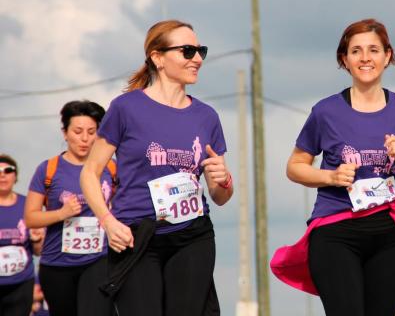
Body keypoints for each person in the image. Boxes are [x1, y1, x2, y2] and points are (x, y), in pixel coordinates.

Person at [271, 18, 395, 316]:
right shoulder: (326, 112)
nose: (365, 58)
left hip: (390, 234)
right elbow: (295, 166)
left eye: (373, 50)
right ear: (344, 60)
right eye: (356, 51)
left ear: (387, 56)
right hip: (335, 231)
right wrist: (330, 176)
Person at [80, 19, 233, 316]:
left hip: (192, 234)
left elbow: (220, 194)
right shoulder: (126, 108)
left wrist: (224, 180)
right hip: (136, 235)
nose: (198, 59)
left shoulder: (207, 116)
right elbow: (89, 173)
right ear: (158, 58)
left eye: (200, 50)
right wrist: (108, 222)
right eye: (188, 51)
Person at [24, 101, 114, 316]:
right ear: (65, 133)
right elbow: (30, 218)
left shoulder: (110, 168)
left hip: (98, 258)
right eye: (78, 131)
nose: (84, 139)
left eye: (92, 132)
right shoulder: (48, 170)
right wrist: (61, 213)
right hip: (57, 264)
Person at [0, 154, 44, 316]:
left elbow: (39, 251)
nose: (2, 174)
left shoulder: (27, 205)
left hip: (21, 284)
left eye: (8, 170)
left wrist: (37, 238)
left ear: (15, 175)